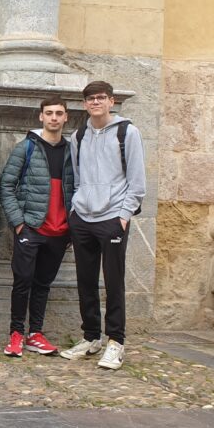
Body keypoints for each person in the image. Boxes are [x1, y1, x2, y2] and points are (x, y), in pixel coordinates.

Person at [60, 81, 145, 370]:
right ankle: (91, 337)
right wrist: (75, 208)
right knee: (85, 280)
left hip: (112, 218)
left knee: (113, 280)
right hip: (83, 216)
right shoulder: (79, 135)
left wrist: (123, 216)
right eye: (90, 99)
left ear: (112, 101)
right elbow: (78, 176)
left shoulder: (127, 132)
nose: (95, 102)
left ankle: (116, 342)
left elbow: (137, 181)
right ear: (85, 105)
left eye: (100, 98)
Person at [0, 96, 74, 357]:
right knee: (22, 281)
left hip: (60, 231)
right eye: (49, 113)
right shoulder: (26, 147)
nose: (54, 118)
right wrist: (18, 222)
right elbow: (7, 185)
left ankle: (36, 334)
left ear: (66, 118)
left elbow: (77, 188)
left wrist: (73, 226)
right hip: (31, 227)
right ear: (40, 117)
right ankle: (16, 334)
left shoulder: (72, 151)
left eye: (59, 113)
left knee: (43, 284)